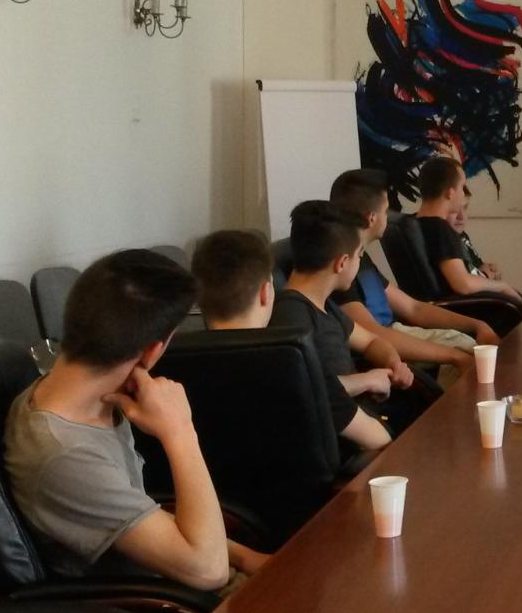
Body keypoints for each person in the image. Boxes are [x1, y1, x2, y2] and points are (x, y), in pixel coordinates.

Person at [4, 249, 268, 590]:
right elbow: (208, 570)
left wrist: (246, 558)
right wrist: (180, 431)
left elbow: (141, 517)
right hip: (167, 603)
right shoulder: (65, 454)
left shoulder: (88, 398)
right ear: (153, 350)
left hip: (183, 572)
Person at [191, 228, 389, 457]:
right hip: (315, 481)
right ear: (266, 292)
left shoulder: (173, 367)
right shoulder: (295, 359)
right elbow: (377, 438)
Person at [270, 200, 438, 435]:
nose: (359, 263)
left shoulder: (324, 305)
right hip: (353, 434)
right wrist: (367, 380)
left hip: (368, 413)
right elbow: (305, 388)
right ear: (342, 263)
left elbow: (371, 341)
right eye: (359, 255)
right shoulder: (292, 316)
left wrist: (393, 363)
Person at [329, 168, 496, 374]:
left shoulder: (361, 259)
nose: (387, 218)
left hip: (394, 331)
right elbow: (371, 333)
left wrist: (476, 325)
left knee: (468, 345)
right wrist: (453, 355)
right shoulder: (341, 268)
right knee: (466, 350)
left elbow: (413, 308)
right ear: (372, 218)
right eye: (385, 211)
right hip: (382, 351)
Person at [412, 157, 522, 305]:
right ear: (450, 193)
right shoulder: (441, 230)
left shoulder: (412, 224)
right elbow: (463, 284)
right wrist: (501, 286)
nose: (463, 194)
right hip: (465, 309)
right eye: (462, 187)